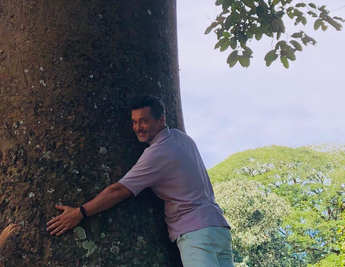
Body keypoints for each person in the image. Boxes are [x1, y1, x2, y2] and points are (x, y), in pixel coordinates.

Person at [47, 94, 233, 267]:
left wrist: (80, 212)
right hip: (218, 228)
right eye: (134, 122)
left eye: (144, 121)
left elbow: (119, 191)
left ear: (161, 119)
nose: (137, 127)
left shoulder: (158, 152)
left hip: (196, 232)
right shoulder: (183, 138)